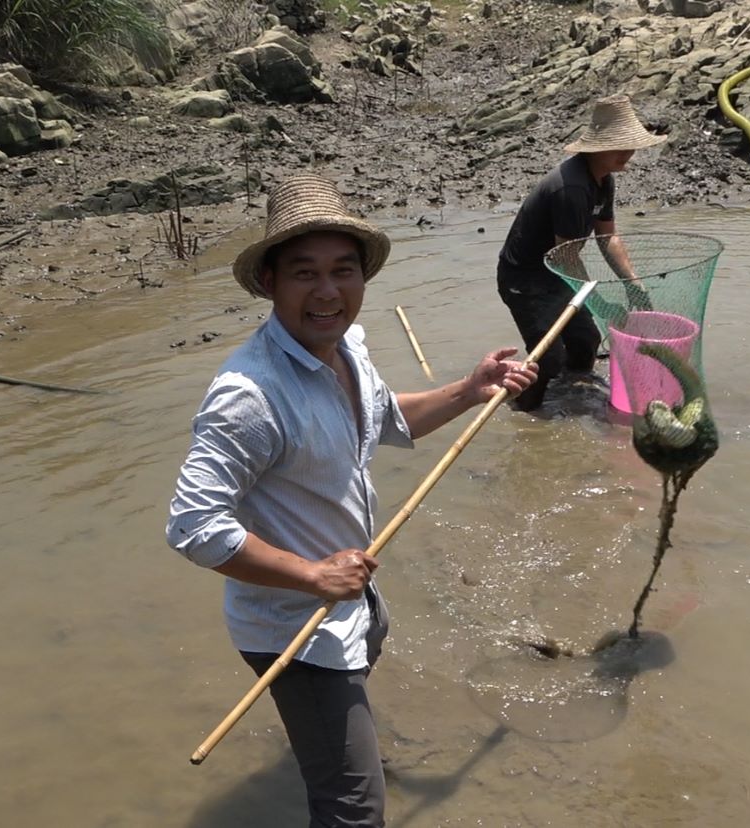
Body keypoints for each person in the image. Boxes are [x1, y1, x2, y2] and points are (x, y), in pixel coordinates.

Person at [166, 173, 537, 828]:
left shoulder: (345, 351)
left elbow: (386, 419)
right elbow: (193, 527)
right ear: (269, 283)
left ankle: (334, 744)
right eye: (304, 273)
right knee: (354, 812)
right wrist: (312, 574)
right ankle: (337, 759)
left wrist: (469, 389)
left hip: (352, 602)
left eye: (343, 270)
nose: (328, 291)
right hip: (292, 628)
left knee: (372, 649)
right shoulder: (249, 396)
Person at [496, 94, 668, 411]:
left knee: (585, 342)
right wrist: (600, 302)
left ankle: (573, 396)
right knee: (546, 361)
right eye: (621, 147)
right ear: (599, 147)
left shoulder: (603, 181)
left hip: (558, 275)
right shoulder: (571, 188)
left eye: (632, 146)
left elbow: (608, 237)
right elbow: (566, 256)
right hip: (526, 281)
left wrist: (633, 282)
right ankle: (527, 416)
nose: (629, 154)